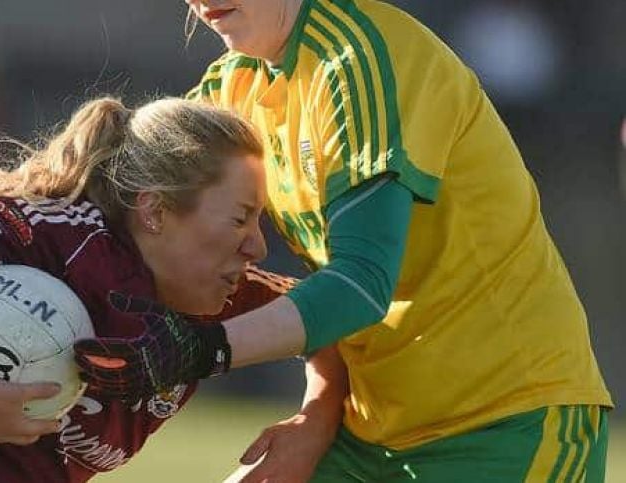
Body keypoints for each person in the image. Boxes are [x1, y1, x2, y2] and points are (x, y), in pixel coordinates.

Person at [74, 1, 614, 481]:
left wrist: (200, 352)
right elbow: (147, 234)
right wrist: (317, 413)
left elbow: (360, 284)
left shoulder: (361, 59)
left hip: (506, 426)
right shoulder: (230, 88)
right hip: (369, 430)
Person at [0, 96, 294, 482]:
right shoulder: (54, 235)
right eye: (239, 219)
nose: (256, 246)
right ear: (155, 211)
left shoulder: (224, 295)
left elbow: (336, 316)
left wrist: (311, 420)